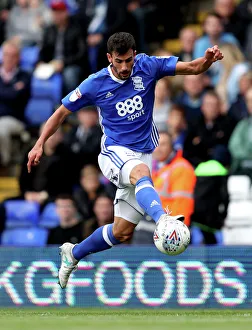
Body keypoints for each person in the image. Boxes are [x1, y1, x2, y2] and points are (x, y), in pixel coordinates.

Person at [27, 32, 224, 289]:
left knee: (122, 232)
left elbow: (194, 67)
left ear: (134, 55)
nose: (124, 67)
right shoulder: (95, 83)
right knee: (140, 172)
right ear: (109, 58)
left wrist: (208, 60)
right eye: (118, 61)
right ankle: (163, 219)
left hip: (142, 153)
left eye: (128, 60)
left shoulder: (147, 66)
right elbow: (61, 112)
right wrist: (39, 143)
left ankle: (73, 253)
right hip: (114, 151)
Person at [152, 131, 196, 227]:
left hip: (170, 228)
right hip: (158, 223)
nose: (158, 148)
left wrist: (177, 229)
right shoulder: (159, 168)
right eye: (155, 144)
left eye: (163, 144)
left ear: (172, 146)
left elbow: (182, 204)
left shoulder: (181, 168)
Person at [0, 39, 31, 167]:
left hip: (15, 119)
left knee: (0, 129)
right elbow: (11, 94)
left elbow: (15, 97)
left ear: (18, 58)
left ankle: (3, 162)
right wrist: (10, 90)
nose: (9, 59)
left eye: (13, 56)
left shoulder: (25, 76)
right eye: (6, 54)